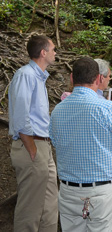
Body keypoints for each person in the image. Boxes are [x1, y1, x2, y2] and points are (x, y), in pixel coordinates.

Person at [49, 57, 112, 232]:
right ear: (98, 78)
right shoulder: (108, 108)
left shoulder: (57, 110)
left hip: (69, 191)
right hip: (103, 193)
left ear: (71, 78)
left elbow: (55, 141)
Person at [8, 35, 58, 231]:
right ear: (43, 53)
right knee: (30, 209)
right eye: (53, 49)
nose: (56, 53)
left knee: (49, 207)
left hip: (43, 145)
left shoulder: (39, 78)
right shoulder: (26, 75)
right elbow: (21, 116)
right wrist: (32, 148)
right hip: (32, 145)